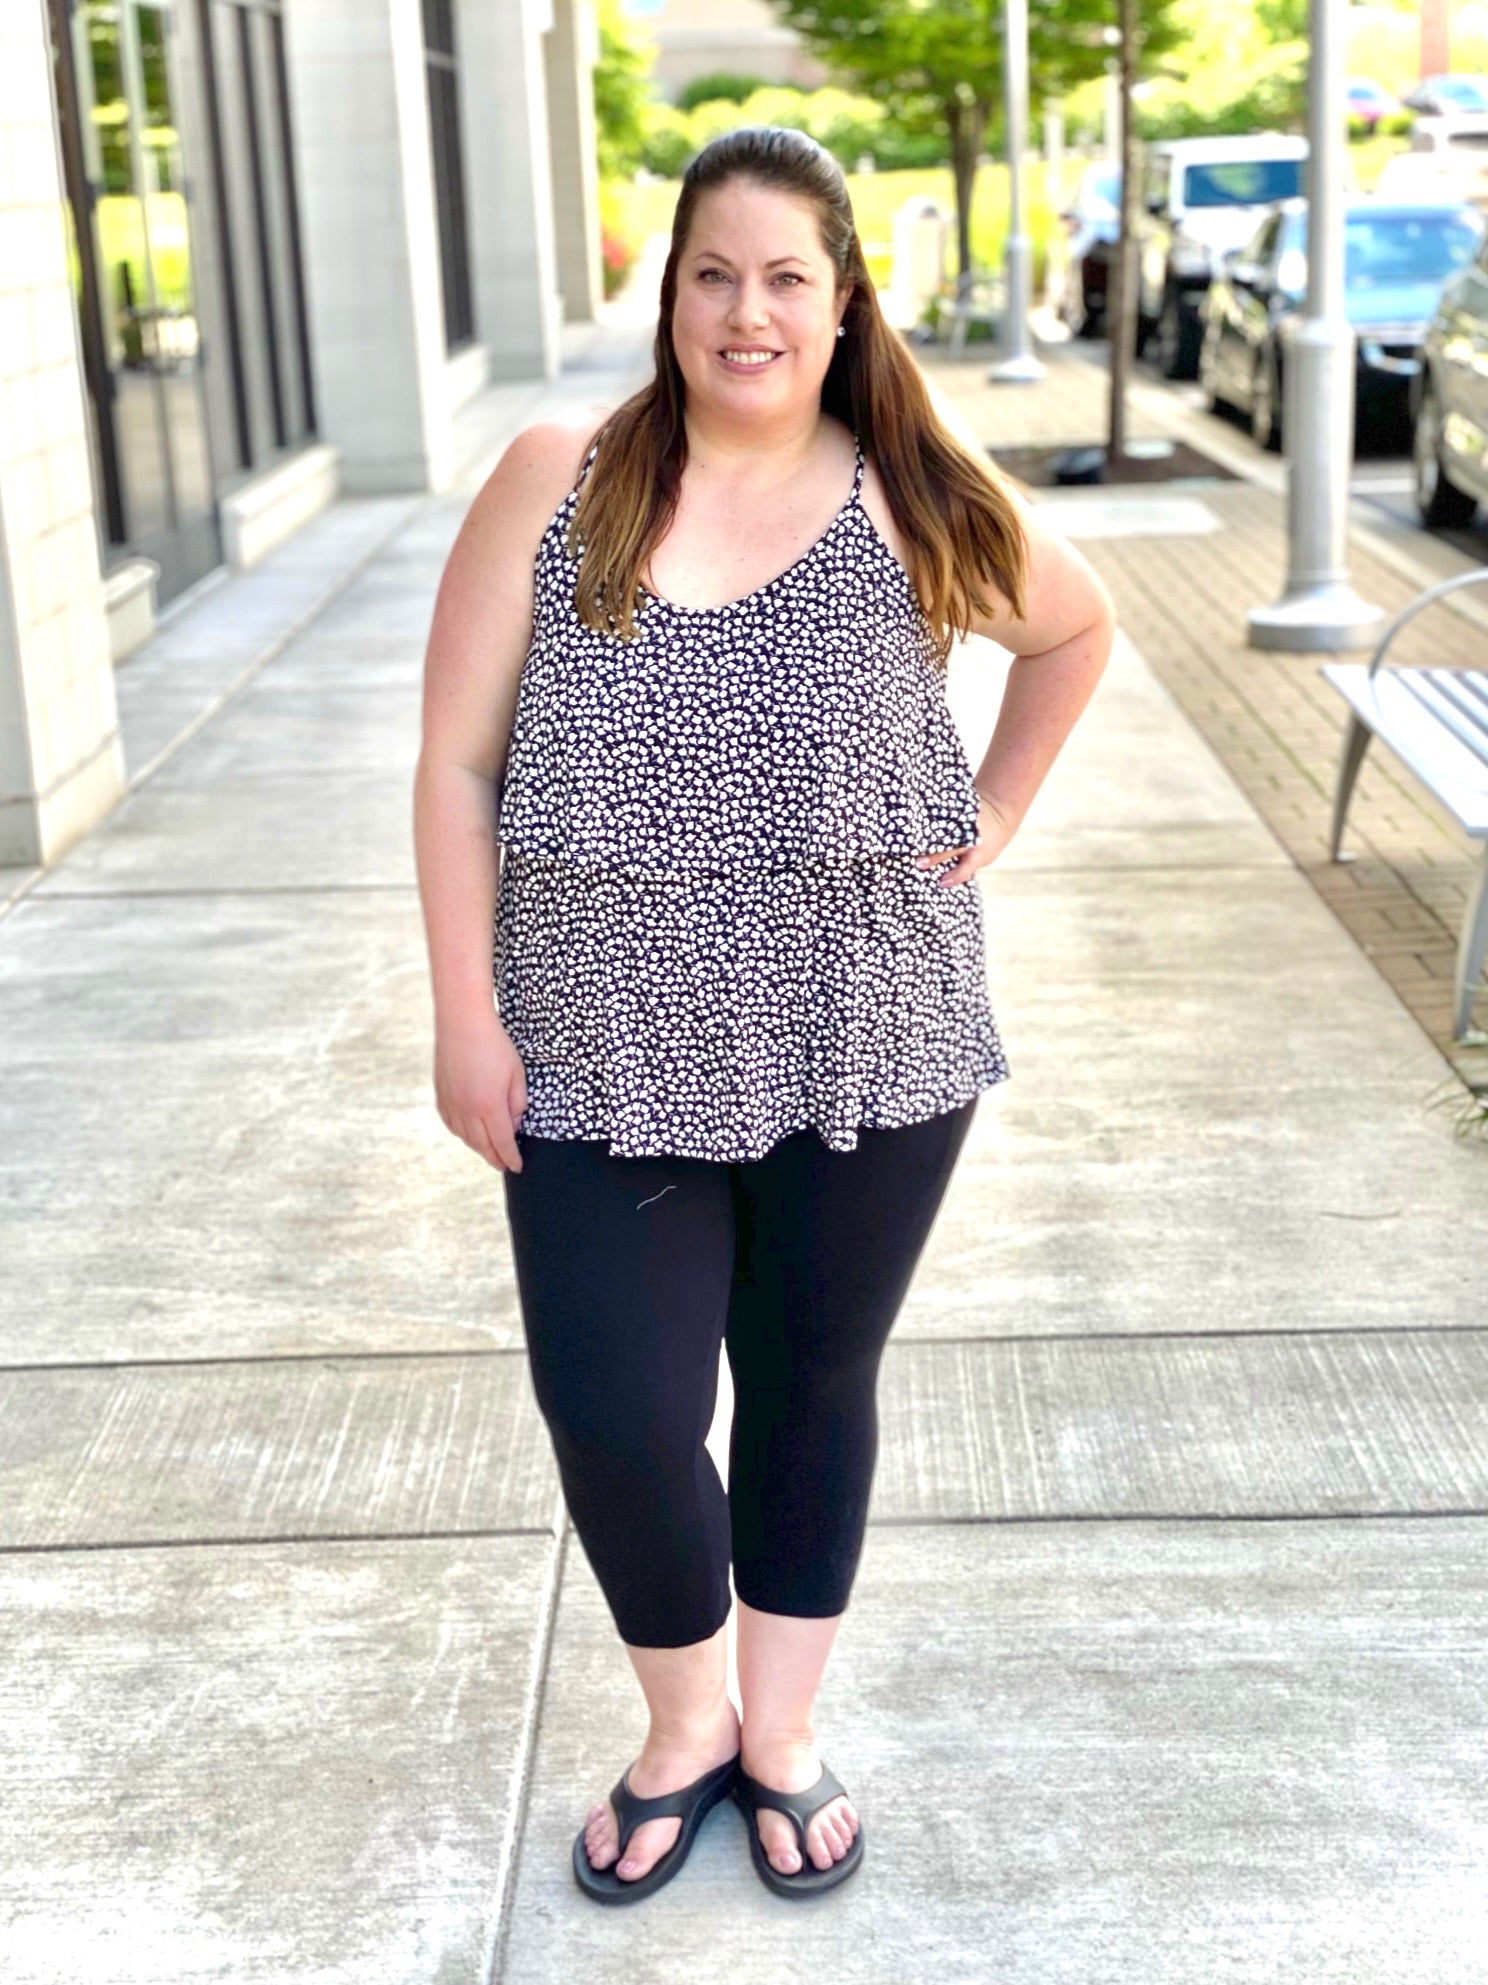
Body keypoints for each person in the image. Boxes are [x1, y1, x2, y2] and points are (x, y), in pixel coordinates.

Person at [412, 125, 1113, 1905]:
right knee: (623, 1408)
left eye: (786, 276)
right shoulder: (560, 477)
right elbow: (457, 758)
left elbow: (1077, 629)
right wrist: (461, 1014)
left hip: (868, 1031)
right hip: (591, 1041)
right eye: (713, 272)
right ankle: (683, 1725)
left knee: (811, 1383)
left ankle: (778, 1733)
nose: (747, 310)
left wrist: (1001, 811)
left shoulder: (912, 493)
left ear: (842, 296)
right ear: (672, 294)